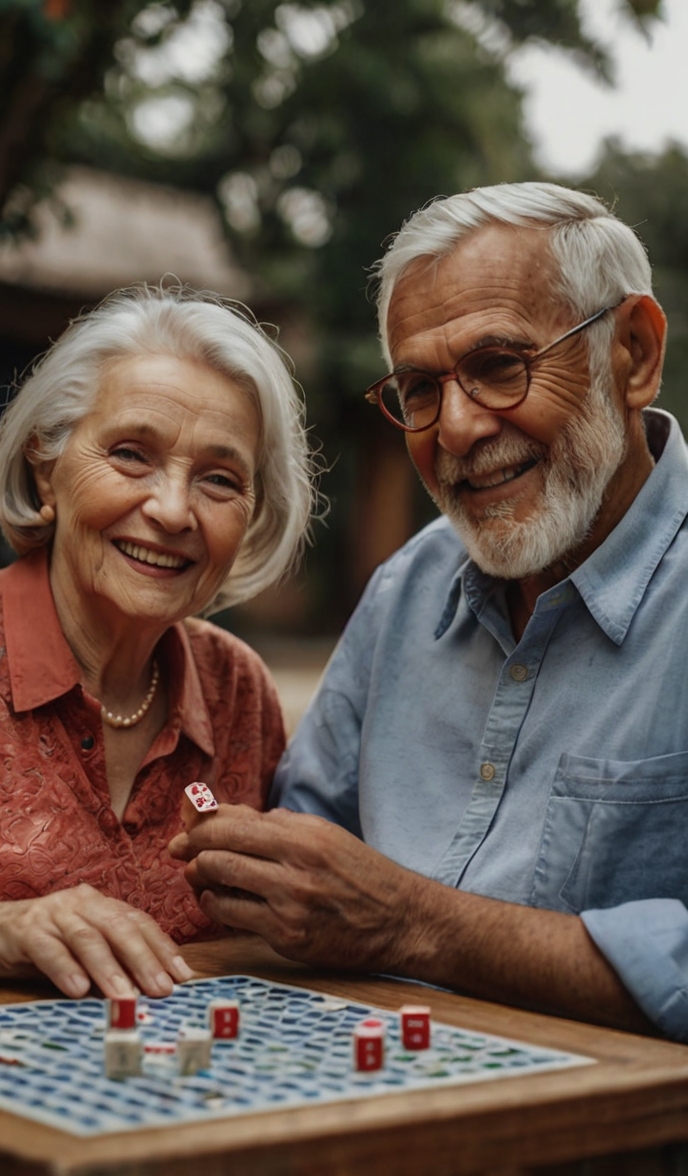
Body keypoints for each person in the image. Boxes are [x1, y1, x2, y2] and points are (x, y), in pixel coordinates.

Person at [170, 182, 688, 1043]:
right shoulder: (408, 588)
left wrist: (413, 923)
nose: (455, 429)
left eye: (500, 366)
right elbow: (307, 844)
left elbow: (385, 915)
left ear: (632, 353)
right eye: (418, 388)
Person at [0, 284, 316, 1001]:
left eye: (219, 480)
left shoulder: (236, 689)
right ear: (47, 469)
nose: (173, 509)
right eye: (131, 455)